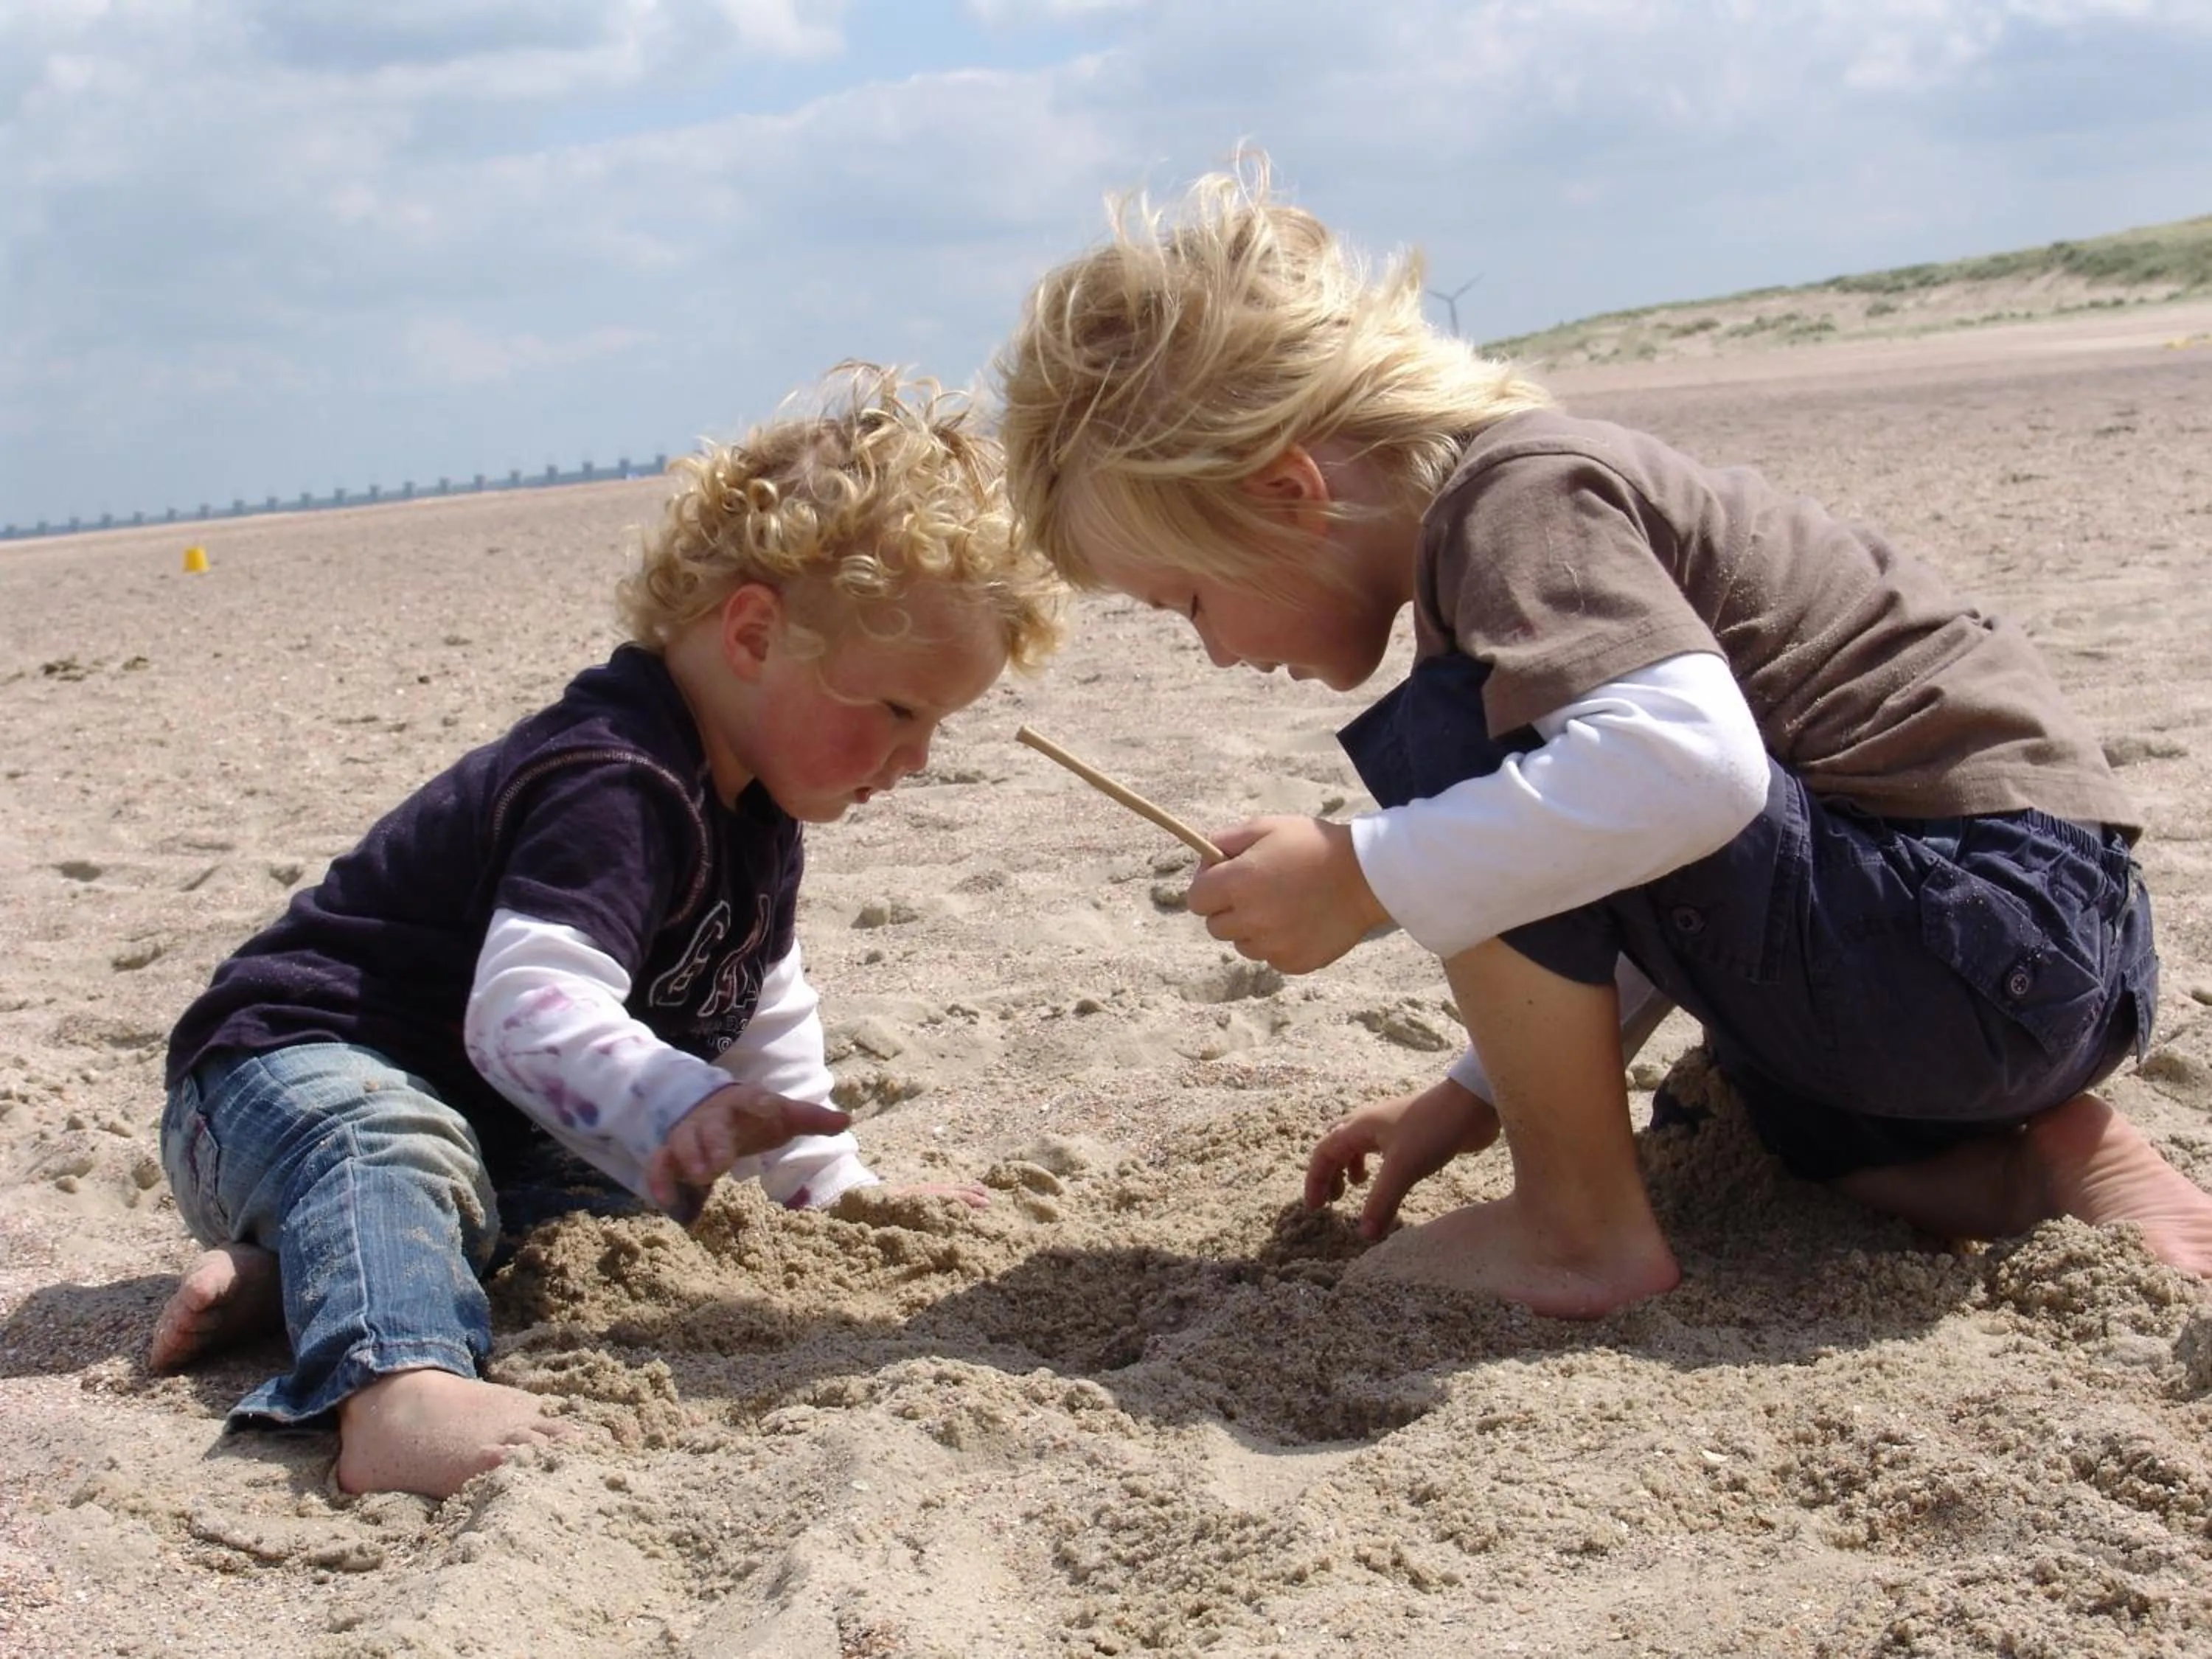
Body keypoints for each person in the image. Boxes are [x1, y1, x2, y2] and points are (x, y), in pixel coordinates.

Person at [992, 156, 2212, 1319]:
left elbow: (1686, 776)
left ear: (1289, 494)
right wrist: (1473, 1091)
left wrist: (1363, 873)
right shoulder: (1517, 513)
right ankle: (2044, 1163)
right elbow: (1639, 852)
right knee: (1736, 1125)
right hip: (2026, 960)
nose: (1213, 650)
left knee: (1464, 744)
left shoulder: (1511, 505)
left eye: (1189, 601)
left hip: (1965, 930)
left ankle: (1578, 1225)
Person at [150, 364, 1063, 1496]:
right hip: (284, 1073)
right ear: (753, 631)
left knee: (634, 1200)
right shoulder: (615, 780)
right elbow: (526, 1011)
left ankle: (299, 1273)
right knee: (391, 1143)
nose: (918, 757)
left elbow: (759, 996)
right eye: (898, 711)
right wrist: (676, 1095)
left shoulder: (757, 806)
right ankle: (394, 1389)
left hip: (481, 1123)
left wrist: (831, 1183)